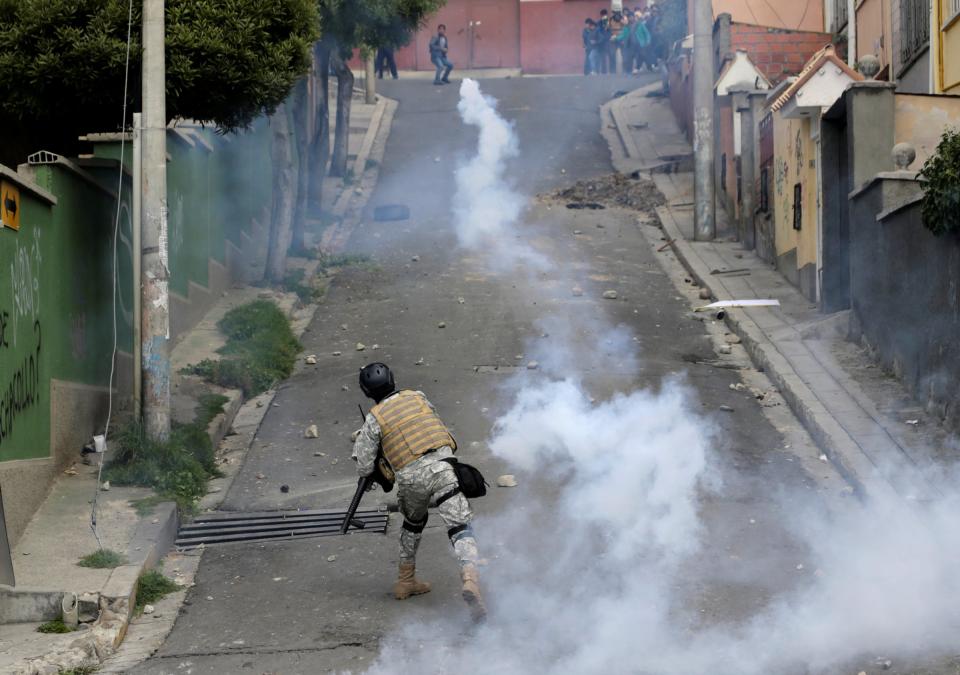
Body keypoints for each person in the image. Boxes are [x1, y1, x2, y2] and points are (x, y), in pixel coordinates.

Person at [352, 363, 487, 622]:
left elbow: (364, 465)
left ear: (367, 392)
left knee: (413, 524)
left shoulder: (373, 419)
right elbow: (433, 422)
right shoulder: (417, 396)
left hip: (411, 479)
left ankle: (406, 581)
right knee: (460, 528)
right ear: (392, 379)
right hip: (444, 469)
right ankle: (470, 578)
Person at [596, 9, 611, 75]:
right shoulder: (599, 23)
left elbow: (610, 31)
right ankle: (603, 71)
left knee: (607, 56)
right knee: (602, 57)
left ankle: (609, 71)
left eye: (605, 15)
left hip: (607, 41)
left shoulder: (609, 22)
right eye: (603, 15)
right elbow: (598, 31)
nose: (604, 16)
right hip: (602, 42)